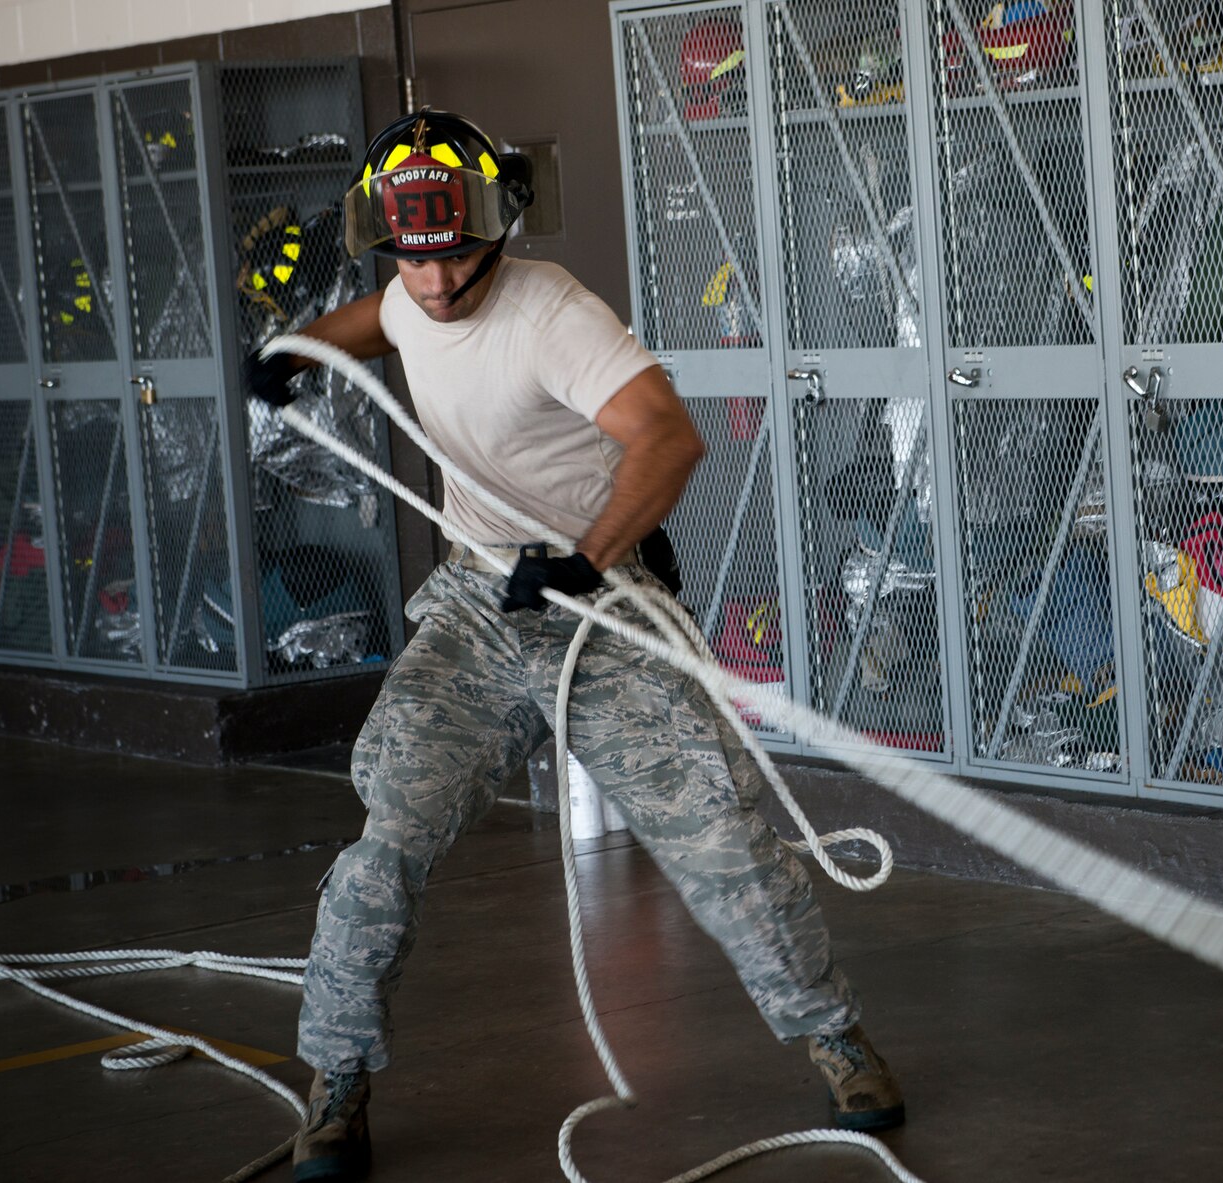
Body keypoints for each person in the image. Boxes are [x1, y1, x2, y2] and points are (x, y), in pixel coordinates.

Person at [244, 110, 904, 1183]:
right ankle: (336, 1085)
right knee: (382, 850)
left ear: (492, 229)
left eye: (454, 254)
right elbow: (379, 323)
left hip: (598, 606)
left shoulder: (552, 314)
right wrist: (293, 354)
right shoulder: (413, 294)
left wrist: (589, 559)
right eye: (414, 256)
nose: (437, 281)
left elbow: (667, 435)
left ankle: (834, 1038)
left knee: (724, 841)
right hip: (471, 608)